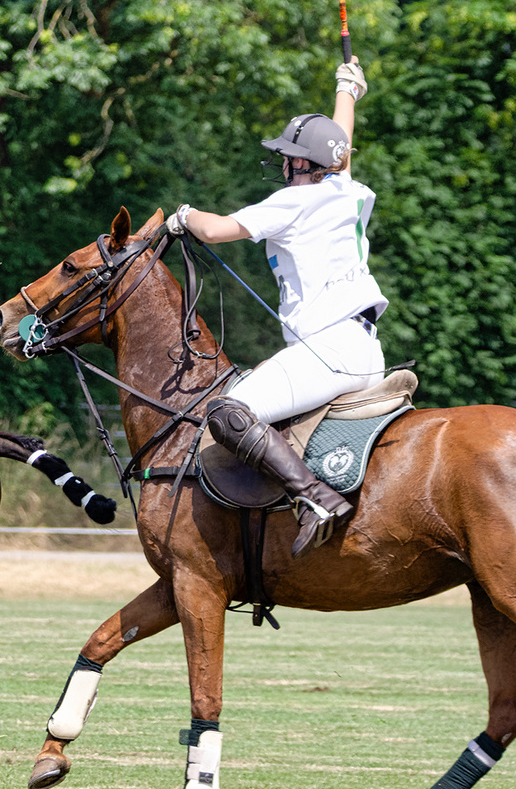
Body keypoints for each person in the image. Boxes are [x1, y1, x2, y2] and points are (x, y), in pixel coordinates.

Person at [165, 57, 386, 558]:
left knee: (227, 410)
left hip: (328, 352)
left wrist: (183, 214)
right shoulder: (345, 190)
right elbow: (341, 151)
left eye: (289, 155)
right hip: (366, 352)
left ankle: (315, 499)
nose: (284, 163)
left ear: (302, 164)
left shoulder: (292, 202)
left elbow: (215, 229)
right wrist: (346, 91)